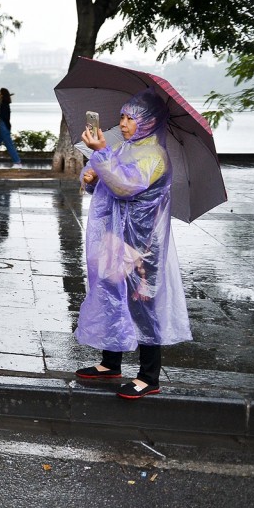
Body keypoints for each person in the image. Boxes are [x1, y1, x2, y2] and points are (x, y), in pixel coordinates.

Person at [74, 89, 190, 400]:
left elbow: (125, 187)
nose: (123, 124)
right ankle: (110, 362)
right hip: (116, 237)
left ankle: (149, 376)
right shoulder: (125, 148)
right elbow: (109, 182)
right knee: (111, 292)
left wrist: (100, 155)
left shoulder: (154, 155)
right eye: (122, 117)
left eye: (130, 118)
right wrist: (92, 178)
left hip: (143, 243)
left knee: (142, 302)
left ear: (149, 123)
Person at [0, 87, 22, 166]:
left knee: (9, 145)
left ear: (2, 95)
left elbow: (5, 116)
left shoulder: (5, 104)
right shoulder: (1, 102)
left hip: (4, 127)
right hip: (1, 126)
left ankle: (18, 163)